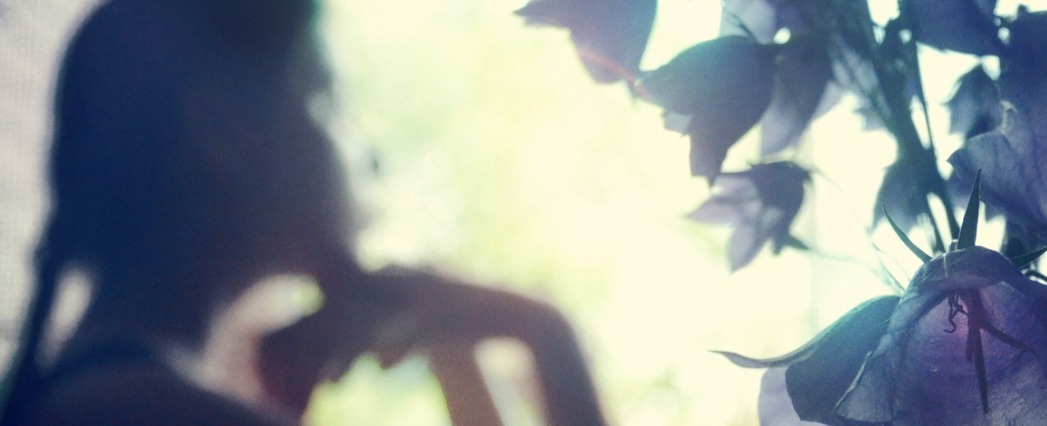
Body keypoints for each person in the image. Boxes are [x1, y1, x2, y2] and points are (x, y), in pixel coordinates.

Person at [0, 1, 606, 424]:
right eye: (326, 96)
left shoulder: (110, 395)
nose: (367, 151)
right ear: (225, 130)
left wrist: (450, 341)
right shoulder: (146, 410)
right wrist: (544, 332)